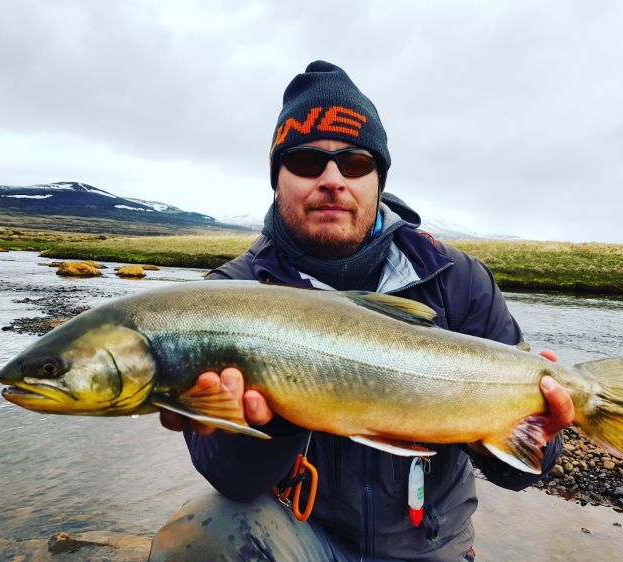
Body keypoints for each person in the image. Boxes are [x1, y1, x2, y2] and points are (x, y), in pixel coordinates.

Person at [149, 61, 573, 562]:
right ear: (277, 178)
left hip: (431, 546)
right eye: (307, 162)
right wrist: (279, 418)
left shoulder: (458, 280)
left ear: (378, 178)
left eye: (354, 163)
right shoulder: (228, 298)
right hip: (305, 539)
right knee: (201, 537)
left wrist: (536, 438)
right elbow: (234, 482)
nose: (332, 180)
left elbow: (521, 472)